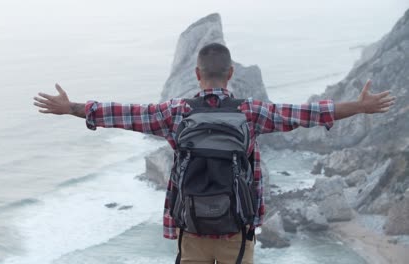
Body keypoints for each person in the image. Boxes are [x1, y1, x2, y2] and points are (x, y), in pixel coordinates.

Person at [33, 43, 396, 264]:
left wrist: (73, 108)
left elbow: (123, 113)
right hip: (237, 230)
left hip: (191, 229)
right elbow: (310, 114)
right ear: (231, 73)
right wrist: (359, 107)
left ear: (197, 74)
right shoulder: (251, 113)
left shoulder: (175, 113)